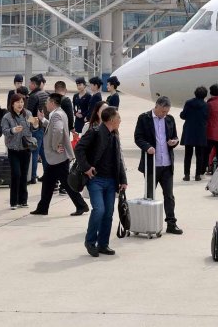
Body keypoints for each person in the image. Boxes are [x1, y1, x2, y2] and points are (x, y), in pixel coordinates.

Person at [74, 107, 128, 257]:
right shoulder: (95, 132)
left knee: (108, 213)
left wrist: (123, 180)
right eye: (118, 118)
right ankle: (90, 242)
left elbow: (118, 159)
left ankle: (103, 244)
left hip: (111, 181)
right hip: (95, 180)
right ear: (111, 119)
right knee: (99, 210)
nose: (120, 120)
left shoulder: (115, 135)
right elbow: (79, 148)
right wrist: (86, 168)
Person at [31, 94, 90, 216]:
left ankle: (81, 205)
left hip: (58, 156)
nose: (46, 104)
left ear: (52, 102)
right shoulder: (60, 113)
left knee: (66, 183)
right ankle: (43, 207)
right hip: (57, 157)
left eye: (47, 102)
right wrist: (43, 120)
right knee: (48, 182)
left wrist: (55, 145)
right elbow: (53, 127)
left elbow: (58, 130)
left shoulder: (56, 114)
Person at [134, 96, 183, 235]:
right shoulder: (144, 118)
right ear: (156, 107)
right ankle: (147, 222)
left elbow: (175, 136)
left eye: (166, 112)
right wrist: (147, 147)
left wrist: (174, 141)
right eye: (162, 111)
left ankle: (171, 223)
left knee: (169, 195)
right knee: (149, 195)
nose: (164, 114)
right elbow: (138, 137)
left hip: (167, 164)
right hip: (152, 165)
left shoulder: (169, 119)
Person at [2, 93, 35, 209]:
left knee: (24, 175)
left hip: (26, 148)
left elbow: (34, 127)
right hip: (13, 149)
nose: (20, 104)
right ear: (12, 104)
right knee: (16, 174)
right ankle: (13, 202)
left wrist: (36, 123)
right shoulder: (7, 117)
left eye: (22, 102)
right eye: (18, 102)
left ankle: (23, 200)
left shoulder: (28, 114)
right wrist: (13, 130)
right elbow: (4, 131)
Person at [180, 86, 209, 181]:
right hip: (200, 131)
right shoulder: (206, 105)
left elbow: (183, 115)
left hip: (189, 130)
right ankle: (197, 175)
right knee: (199, 155)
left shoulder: (188, 103)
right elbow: (207, 117)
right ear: (205, 95)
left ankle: (187, 175)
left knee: (188, 154)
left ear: (195, 93)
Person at [26, 74, 49, 183]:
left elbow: (29, 114)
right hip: (44, 126)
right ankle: (47, 173)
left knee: (34, 152)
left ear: (34, 84)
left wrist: (30, 125)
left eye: (30, 83)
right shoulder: (45, 94)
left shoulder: (33, 96)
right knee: (43, 152)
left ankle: (32, 176)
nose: (29, 85)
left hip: (36, 127)